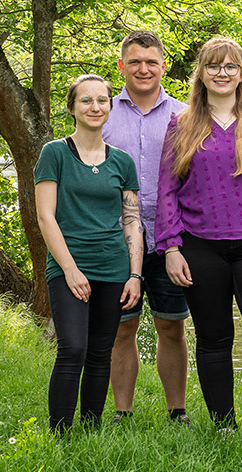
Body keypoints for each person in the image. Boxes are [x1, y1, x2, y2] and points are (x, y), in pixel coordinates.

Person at [155, 37, 242, 453]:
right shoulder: (180, 125)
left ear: (241, 73)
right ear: (201, 73)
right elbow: (167, 191)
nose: (221, 73)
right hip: (200, 249)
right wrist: (171, 247)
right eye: (213, 66)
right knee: (213, 338)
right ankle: (224, 425)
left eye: (230, 66)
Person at [35, 74, 143, 432]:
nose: (95, 107)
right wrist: (69, 269)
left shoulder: (122, 162)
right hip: (69, 266)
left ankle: (91, 428)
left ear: (110, 107)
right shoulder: (54, 154)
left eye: (102, 100)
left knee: (101, 351)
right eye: (86, 100)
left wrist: (135, 274)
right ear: (72, 108)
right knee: (73, 348)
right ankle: (60, 433)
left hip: (113, 268)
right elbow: (45, 216)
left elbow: (132, 221)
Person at [103, 30, 192, 425]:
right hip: (116, 240)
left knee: (171, 327)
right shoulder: (102, 112)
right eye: (135, 62)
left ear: (163, 66)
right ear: (122, 66)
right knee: (122, 330)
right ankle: (123, 412)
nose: (143, 69)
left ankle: (178, 411)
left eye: (151, 62)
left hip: (173, 238)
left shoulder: (186, 115)